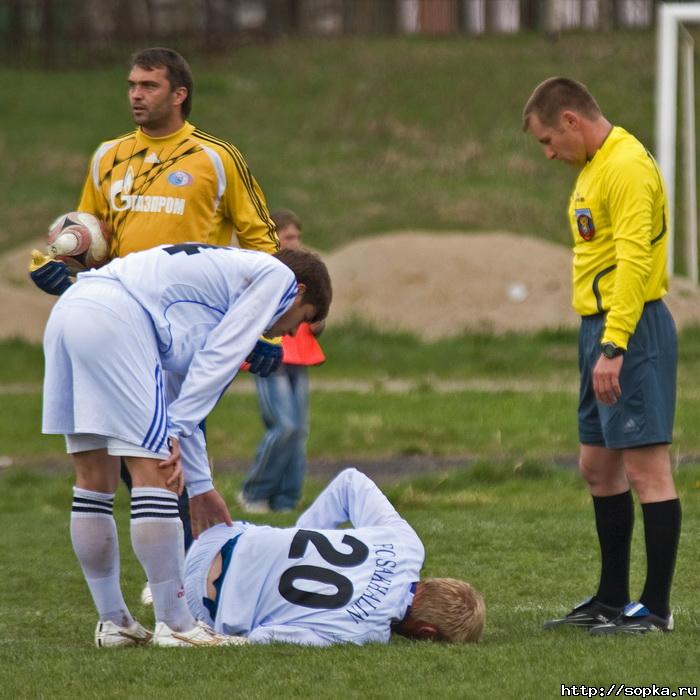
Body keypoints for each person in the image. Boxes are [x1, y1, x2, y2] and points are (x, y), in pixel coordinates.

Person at [29, 47, 282, 569]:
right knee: (132, 452)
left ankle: (189, 573)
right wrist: (54, 263)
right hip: (120, 323)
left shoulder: (217, 157)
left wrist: (261, 326)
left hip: (186, 327)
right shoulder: (107, 156)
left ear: (179, 93)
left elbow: (263, 242)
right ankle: (178, 573)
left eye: (148, 86)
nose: (135, 95)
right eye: (131, 85)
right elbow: (86, 234)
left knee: (174, 445)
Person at [42, 243, 332, 647]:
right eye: (303, 321)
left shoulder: (218, 286)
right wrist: (172, 431)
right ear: (299, 291)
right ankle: (177, 626)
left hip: (72, 309)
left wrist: (201, 486)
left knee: (94, 478)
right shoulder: (277, 278)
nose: (288, 335)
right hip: (118, 318)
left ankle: (115, 623)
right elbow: (220, 357)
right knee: (155, 471)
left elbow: (183, 382)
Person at [522, 77, 680, 635]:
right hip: (599, 328)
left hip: (630, 329)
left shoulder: (628, 165)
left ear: (570, 120)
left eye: (547, 140)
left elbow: (637, 261)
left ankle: (654, 608)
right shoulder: (593, 166)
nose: (547, 154)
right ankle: (611, 600)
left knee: (647, 470)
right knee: (596, 467)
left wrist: (615, 344)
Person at [184, 468, 485, 645]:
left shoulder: (408, 546)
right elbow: (267, 636)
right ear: (426, 632)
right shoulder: (367, 633)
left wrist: (296, 538)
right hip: (205, 605)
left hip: (216, 539)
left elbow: (350, 482)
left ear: (431, 583)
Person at [240, 209, 326, 513]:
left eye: (298, 236)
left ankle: (286, 500)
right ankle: (254, 493)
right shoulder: (264, 267)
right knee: (284, 426)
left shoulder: (301, 269)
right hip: (271, 355)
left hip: (299, 355)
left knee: (300, 430)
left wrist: (318, 322)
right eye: (289, 236)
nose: (296, 242)